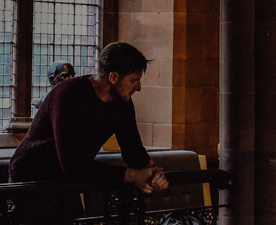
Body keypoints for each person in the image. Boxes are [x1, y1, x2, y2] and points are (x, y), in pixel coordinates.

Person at [9, 42, 169, 194]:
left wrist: (151, 172)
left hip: (66, 180)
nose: (138, 87)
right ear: (113, 77)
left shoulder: (122, 102)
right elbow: (72, 165)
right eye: (134, 80)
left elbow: (132, 150)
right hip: (30, 179)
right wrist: (131, 175)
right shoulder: (69, 94)